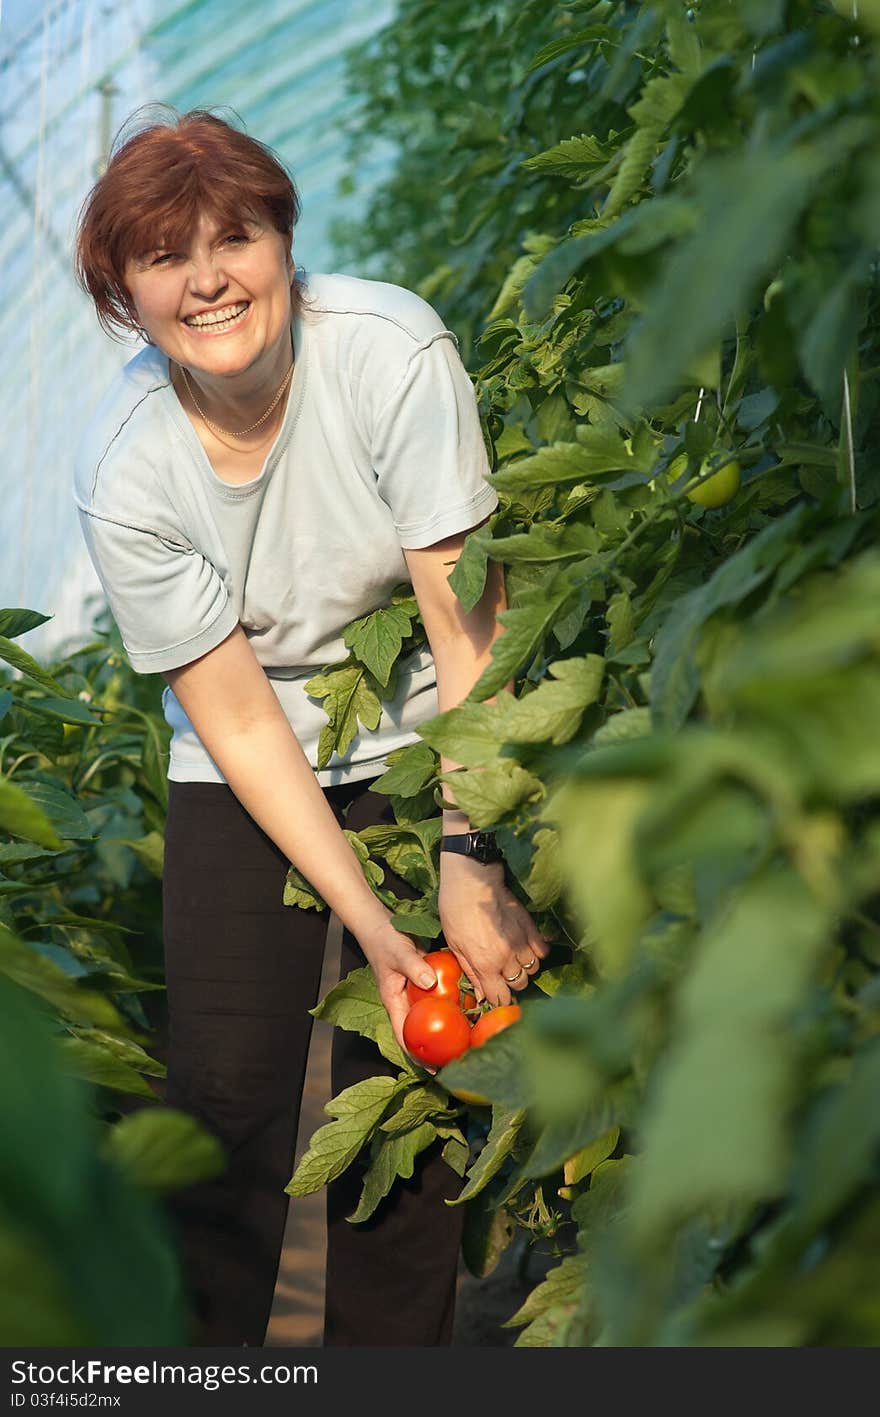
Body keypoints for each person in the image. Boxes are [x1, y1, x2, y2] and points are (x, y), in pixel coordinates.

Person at [72, 106, 548, 1348]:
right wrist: (372, 925)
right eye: (166, 257)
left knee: (410, 1086)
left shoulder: (387, 353)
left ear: (286, 239)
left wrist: (469, 855)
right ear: (125, 291)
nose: (209, 279)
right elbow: (236, 715)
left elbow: (462, 629)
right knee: (228, 1090)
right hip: (247, 759)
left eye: (235, 237)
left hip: (427, 725)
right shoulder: (130, 466)